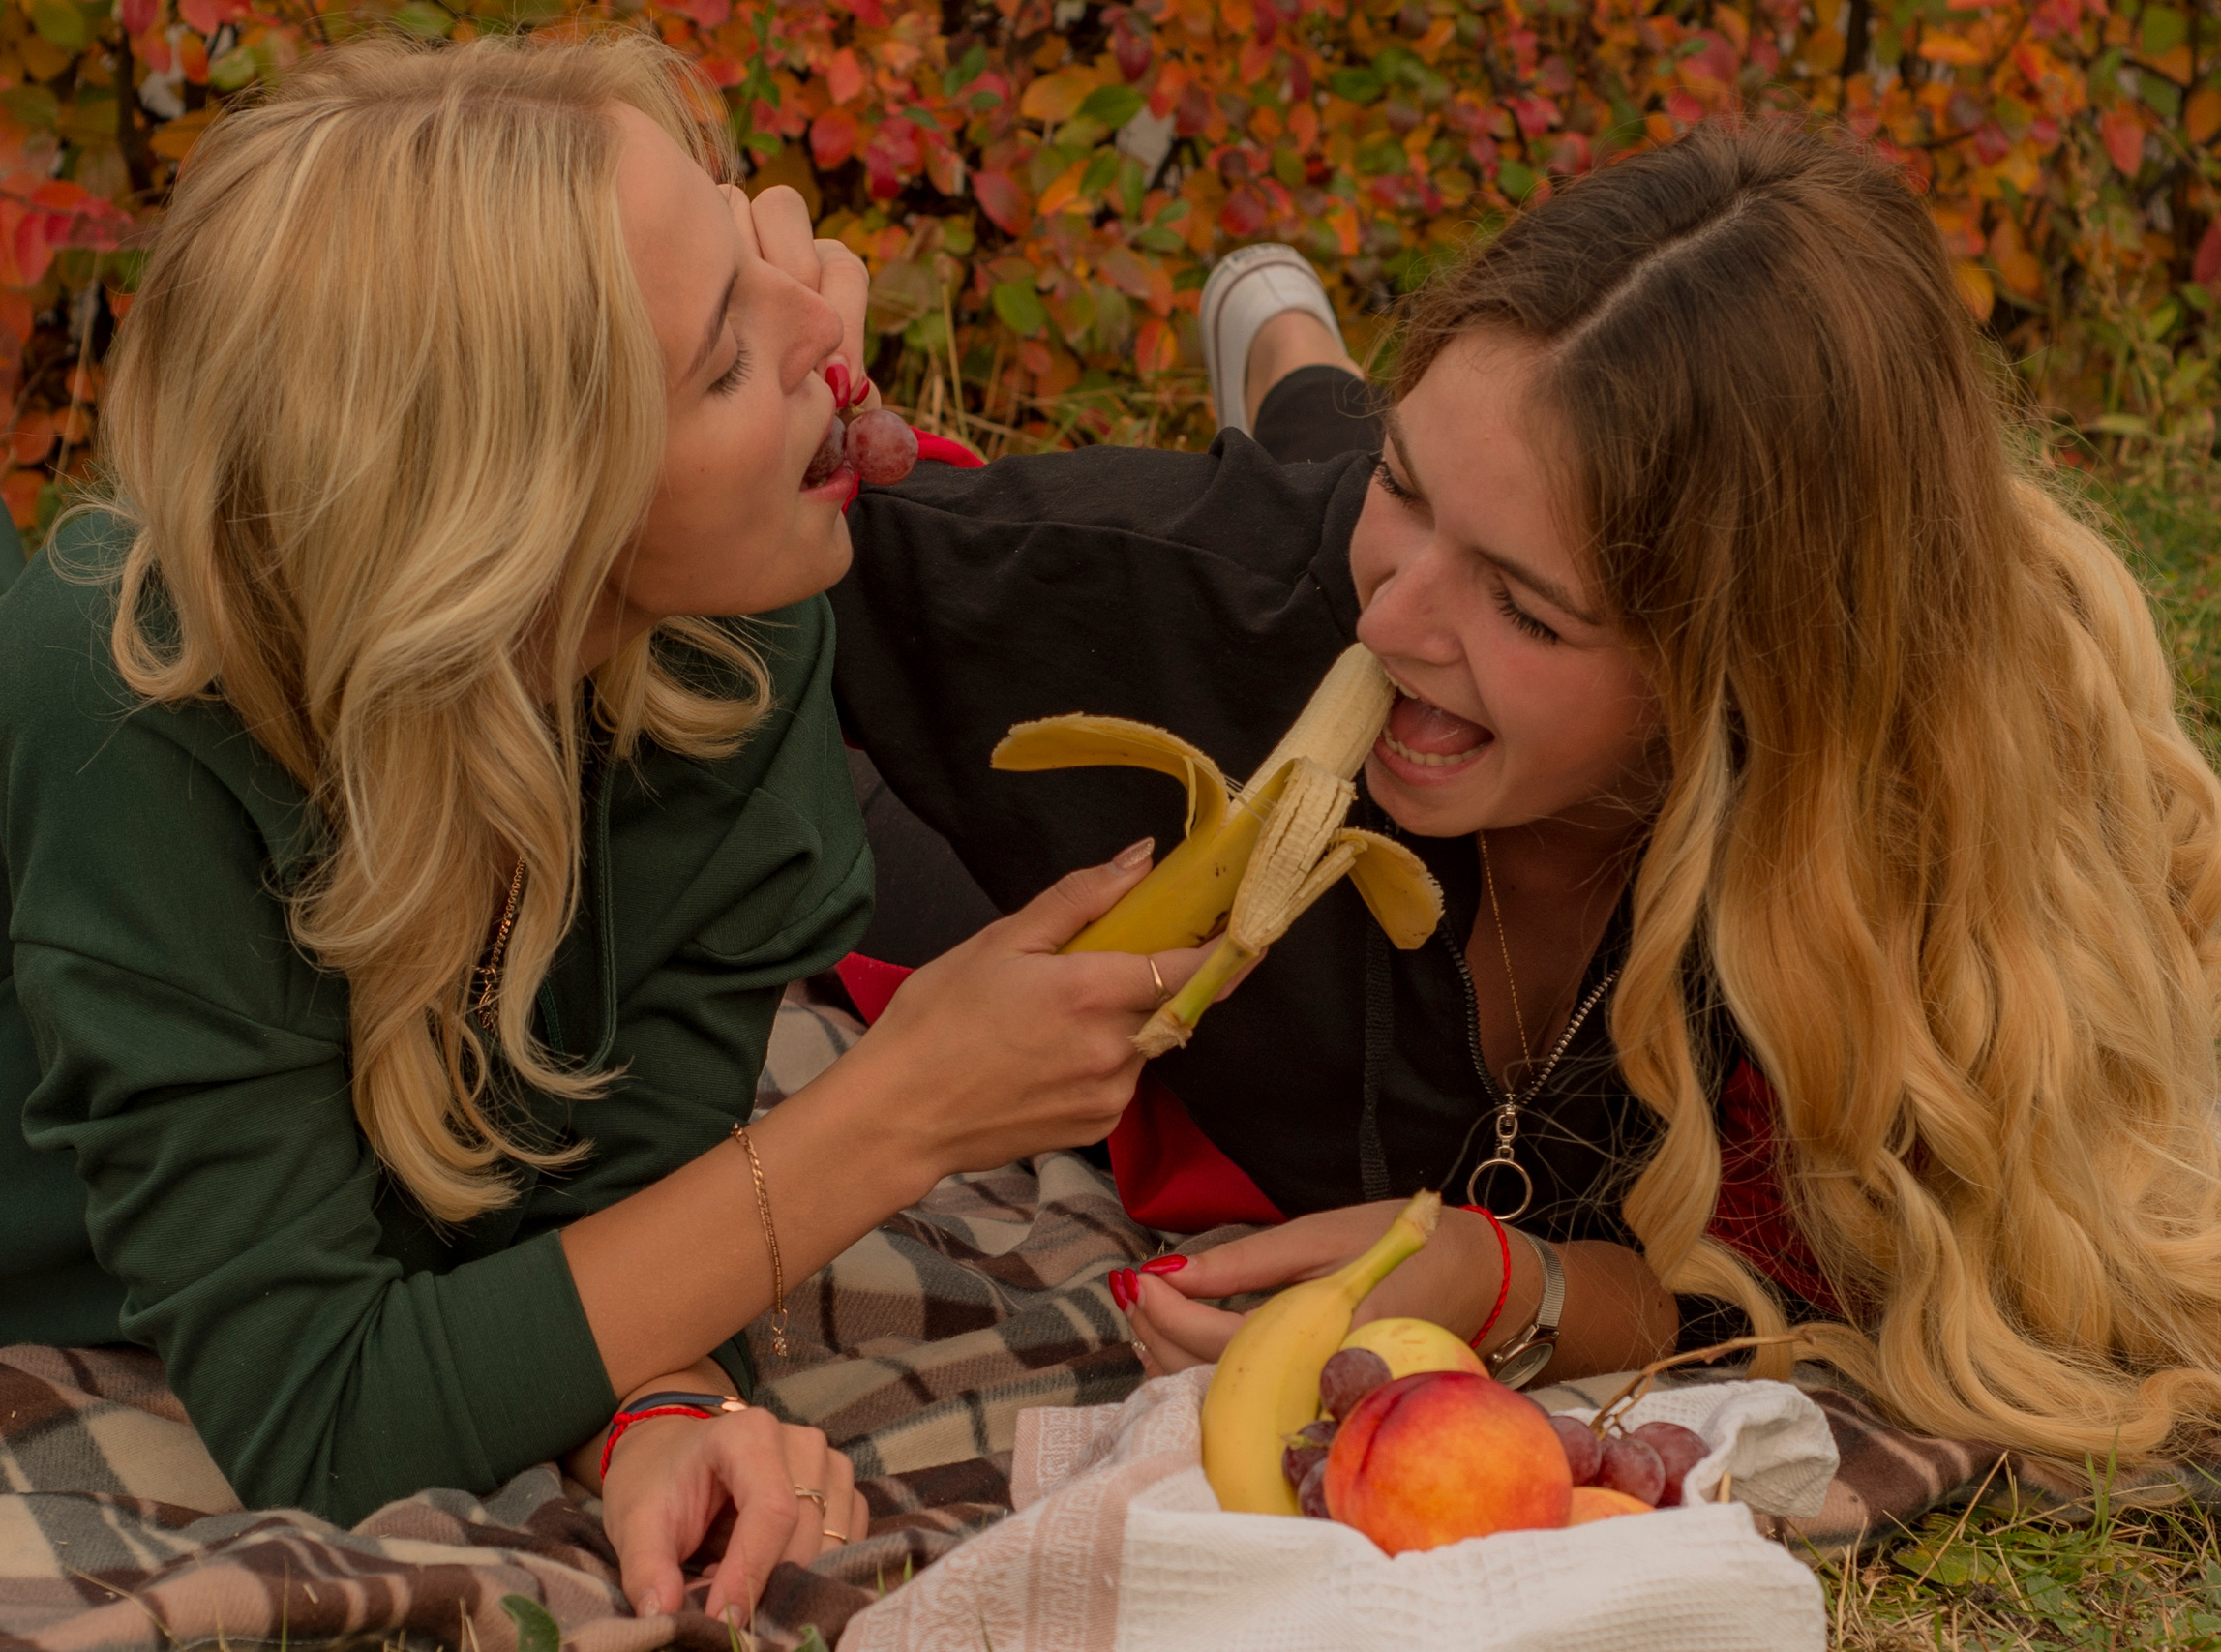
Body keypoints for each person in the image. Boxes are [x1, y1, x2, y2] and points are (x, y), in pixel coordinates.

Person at [0, 34, 1216, 1623]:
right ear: (520, 525)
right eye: (723, 355)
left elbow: (636, 1172)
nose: (833, 324)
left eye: (749, 252)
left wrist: (660, 1406)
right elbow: (324, 1406)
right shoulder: (133, 738)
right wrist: (902, 1109)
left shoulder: (733, 594)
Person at [828, 119, 2221, 1463]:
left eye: (1532, 610)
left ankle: (1312, 372)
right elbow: (781, 574)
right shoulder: (1220, 588)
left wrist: (1526, 1288)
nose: (1391, 628)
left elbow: (1847, 1280)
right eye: (1410, 486)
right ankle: (1303, 365)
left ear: (1740, 682)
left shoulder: (1890, 845)